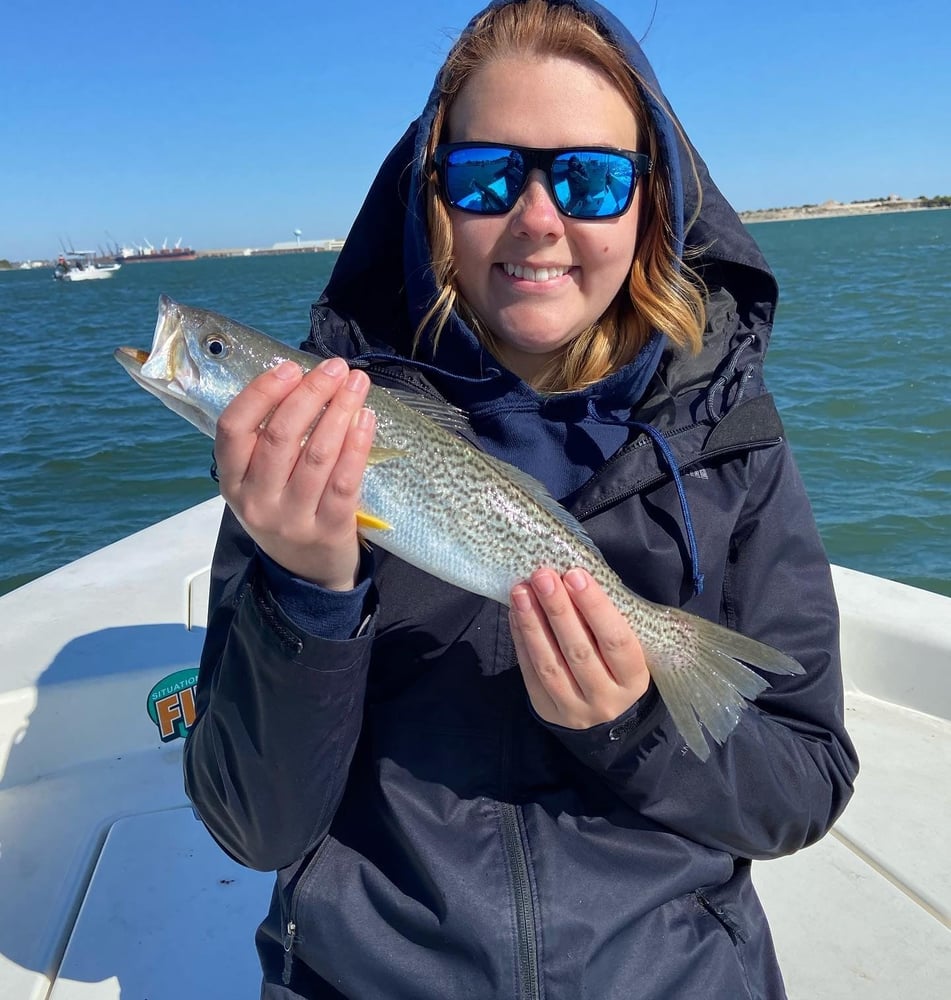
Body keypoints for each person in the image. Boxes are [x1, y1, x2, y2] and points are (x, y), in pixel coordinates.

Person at [183, 1, 858, 997]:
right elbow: (255, 827)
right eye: (489, 174)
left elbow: (799, 781)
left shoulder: (732, 442)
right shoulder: (322, 435)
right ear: (433, 201)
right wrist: (307, 588)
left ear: (651, 205)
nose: (539, 218)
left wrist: (632, 718)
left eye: (591, 178)